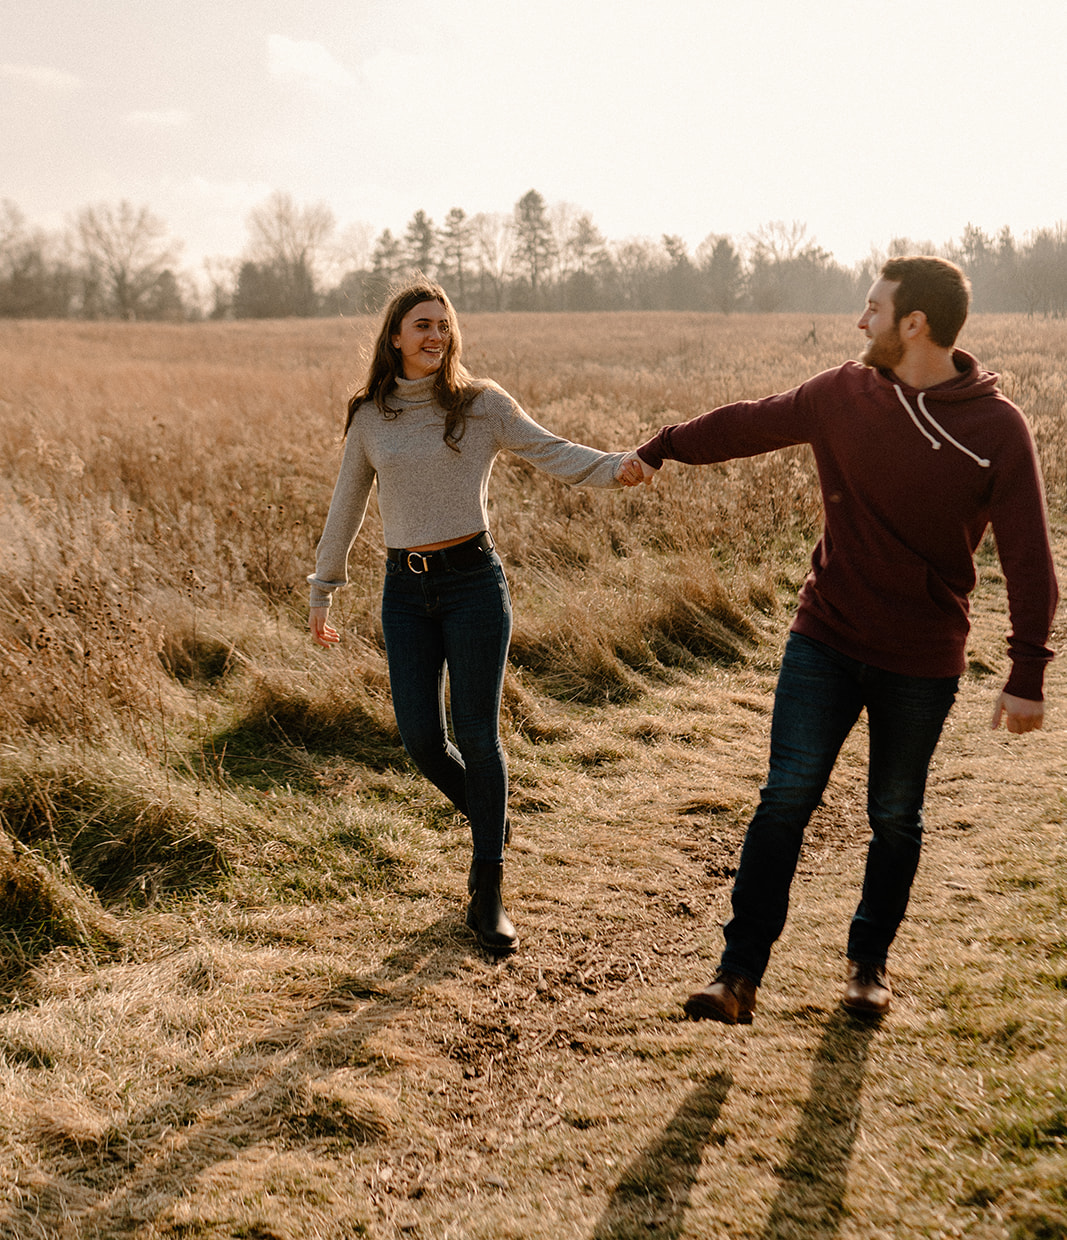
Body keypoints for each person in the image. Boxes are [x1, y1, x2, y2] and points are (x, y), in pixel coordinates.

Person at [619, 255, 1058, 1022]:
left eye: (872, 308)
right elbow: (746, 422)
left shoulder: (996, 427)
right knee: (783, 799)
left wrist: (1027, 670)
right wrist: (661, 445)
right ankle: (735, 975)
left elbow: (1028, 552)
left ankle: (867, 970)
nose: (860, 322)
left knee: (893, 814)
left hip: (921, 657)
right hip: (823, 636)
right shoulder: (839, 394)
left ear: (913, 323)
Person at [308, 278, 630, 954]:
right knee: (422, 739)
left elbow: (552, 450)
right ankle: (490, 813)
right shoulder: (369, 415)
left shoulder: (481, 405)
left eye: (443, 324)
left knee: (478, 736)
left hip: (473, 585)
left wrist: (615, 467)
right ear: (394, 335)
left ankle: (488, 889)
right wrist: (323, 588)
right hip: (406, 593)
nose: (435, 335)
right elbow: (346, 505)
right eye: (421, 324)